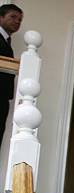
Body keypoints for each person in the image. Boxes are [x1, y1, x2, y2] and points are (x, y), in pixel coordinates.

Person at [0, 4, 22, 148]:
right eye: (13, 17)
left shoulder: (7, 42)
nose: (17, 22)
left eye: (20, 19)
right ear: (1, 17)